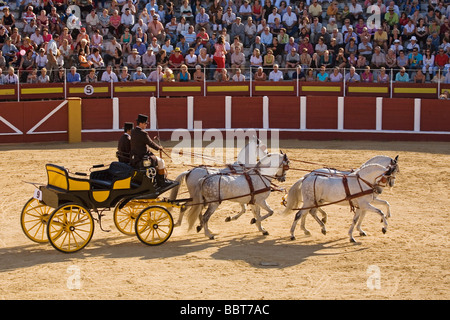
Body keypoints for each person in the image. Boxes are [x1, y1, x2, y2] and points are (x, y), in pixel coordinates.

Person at [130, 114, 171, 189]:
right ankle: (161, 182)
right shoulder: (143, 133)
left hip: (135, 157)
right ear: (141, 123)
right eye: (145, 123)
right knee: (161, 162)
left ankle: (157, 179)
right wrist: (159, 148)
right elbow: (150, 143)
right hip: (142, 157)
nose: (146, 125)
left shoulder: (133, 131)